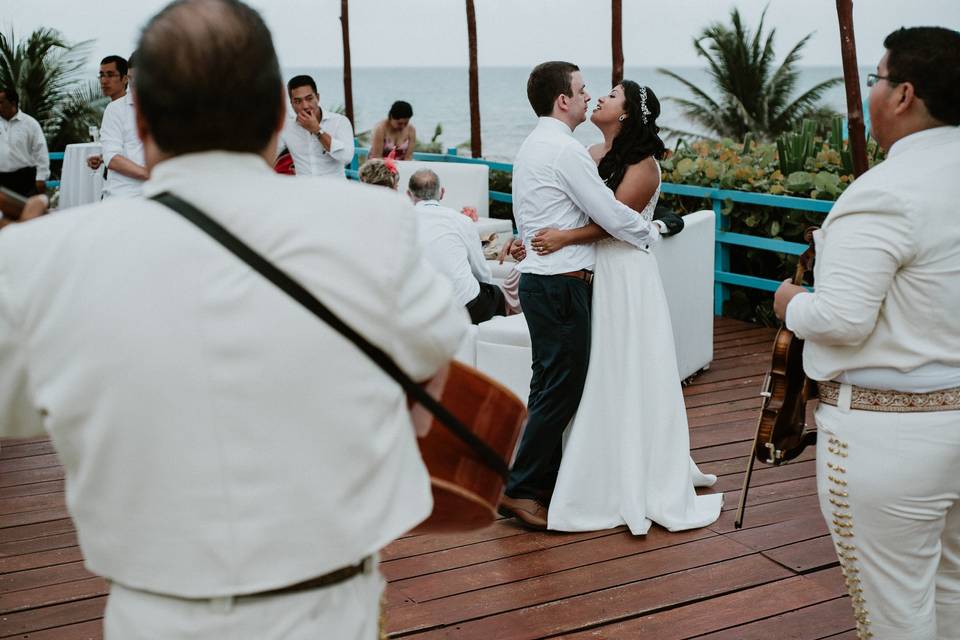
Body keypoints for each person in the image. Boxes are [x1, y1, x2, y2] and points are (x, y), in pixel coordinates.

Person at [0, 1, 469, 637]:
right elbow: (440, 344)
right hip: (330, 612)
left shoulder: (42, 257)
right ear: (279, 114)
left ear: (138, 118)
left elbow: (13, 406)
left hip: (154, 615)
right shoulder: (376, 226)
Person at [773, 27, 960, 640]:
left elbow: (843, 321)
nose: (872, 91)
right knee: (952, 594)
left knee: (893, 617)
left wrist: (792, 303)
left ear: (904, 94)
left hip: (890, 439)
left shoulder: (882, 192)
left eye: (877, 79)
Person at [526, 81, 721, 534]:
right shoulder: (588, 153)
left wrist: (563, 239)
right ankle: (587, 469)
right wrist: (532, 242)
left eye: (612, 95)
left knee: (627, 368)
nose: (599, 99)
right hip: (591, 273)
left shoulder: (645, 167)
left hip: (627, 275)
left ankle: (632, 472)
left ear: (629, 113)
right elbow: (569, 208)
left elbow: (615, 223)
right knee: (596, 372)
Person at [498, 61, 663, 530]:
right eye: (582, 89)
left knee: (547, 385)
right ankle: (521, 489)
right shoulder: (567, 152)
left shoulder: (534, 146)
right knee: (561, 389)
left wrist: (525, 238)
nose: (589, 96)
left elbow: (534, 211)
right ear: (563, 101)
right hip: (561, 283)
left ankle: (538, 485)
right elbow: (610, 214)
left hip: (540, 280)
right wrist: (648, 230)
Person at [407, 168, 506, 324]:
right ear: (442, 193)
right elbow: (481, 271)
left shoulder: (402, 220)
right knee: (496, 294)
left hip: (418, 308)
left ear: (408, 194)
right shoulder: (460, 220)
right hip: (465, 308)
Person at [279, 75, 354, 178]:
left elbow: (346, 157)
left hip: (336, 190)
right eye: (298, 101)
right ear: (291, 104)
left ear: (317, 98)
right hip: (304, 190)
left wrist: (317, 130)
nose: (305, 106)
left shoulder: (340, 122)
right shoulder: (287, 127)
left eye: (309, 99)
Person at [98, 51, 148, 198]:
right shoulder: (115, 109)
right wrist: (149, 174)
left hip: (160, 193)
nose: (133, 85)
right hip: (124, 194)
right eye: (131, 79)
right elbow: (112, 157)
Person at [0, 87, 50, 197]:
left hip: (25, 180)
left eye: (1, 102)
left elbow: (40, 152)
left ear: (12, 103)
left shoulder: (30, 124)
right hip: (1, 180)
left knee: (28, 212)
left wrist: (41, 177)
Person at [86, 55, 129, 171]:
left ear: (125, 78)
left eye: (110, 75)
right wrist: (103, 157)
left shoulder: (132, 109)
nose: (104, 81)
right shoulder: (113, 108)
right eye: (101, 75)